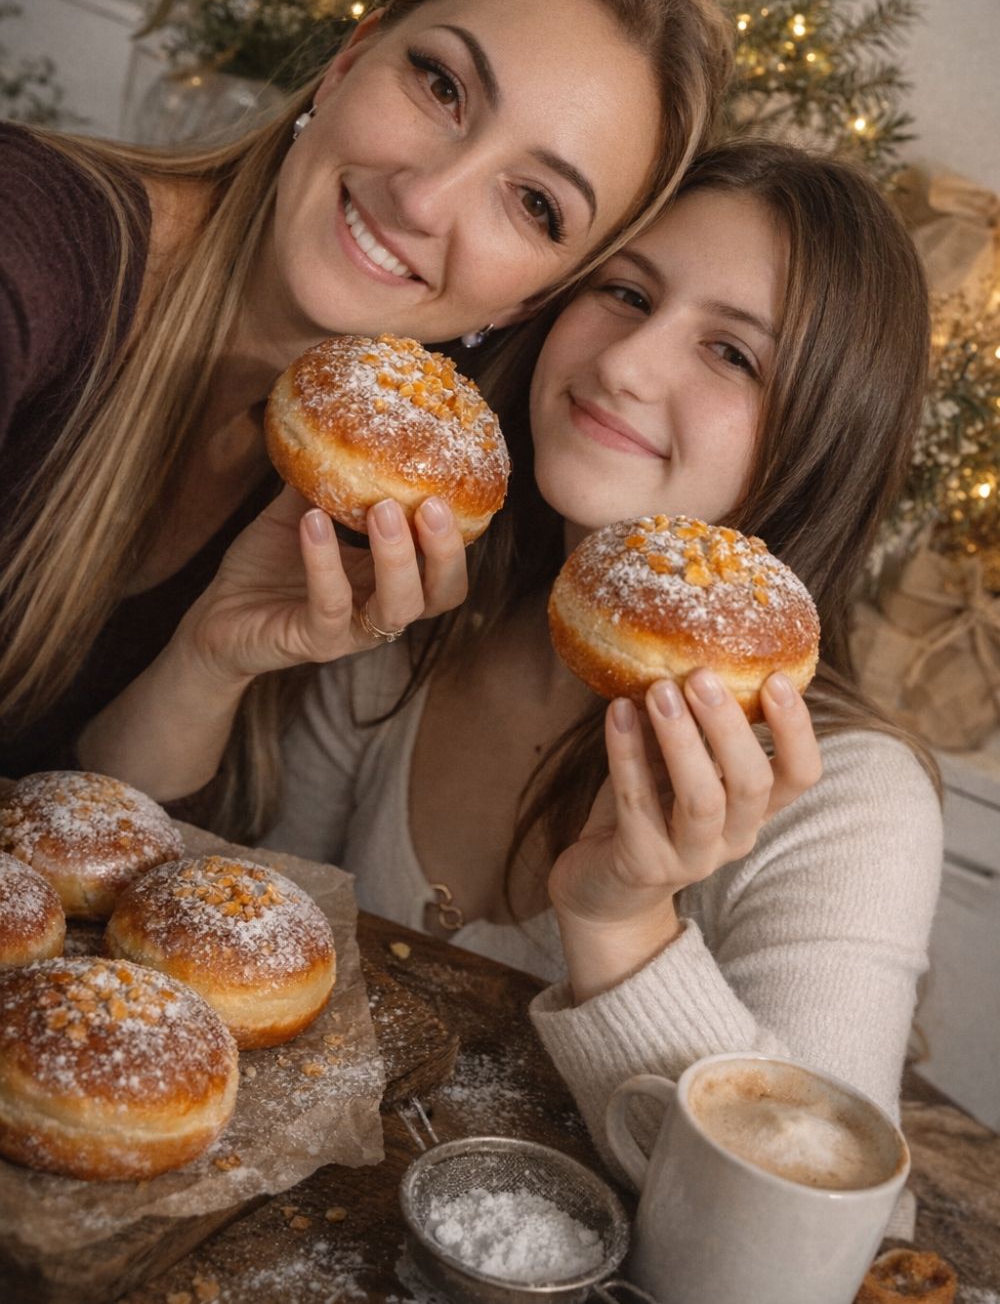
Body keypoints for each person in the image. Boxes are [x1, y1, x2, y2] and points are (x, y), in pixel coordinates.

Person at [78, 140, 942, 1168]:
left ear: (825, 438)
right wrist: (211, 657)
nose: (624, 365)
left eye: (733, 355)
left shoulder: (852, 803)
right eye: (626, 292)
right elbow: (162, 949)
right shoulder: (409, 632)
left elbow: (799, 1242)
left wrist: (621, 924)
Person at [0, 0, 734, 827]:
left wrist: (212, 658)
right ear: (348, 63)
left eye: (536, 205)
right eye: (442, 87)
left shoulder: (352, 501)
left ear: (532, 300)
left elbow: (91, 851)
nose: (425, 199)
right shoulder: (29, 249)